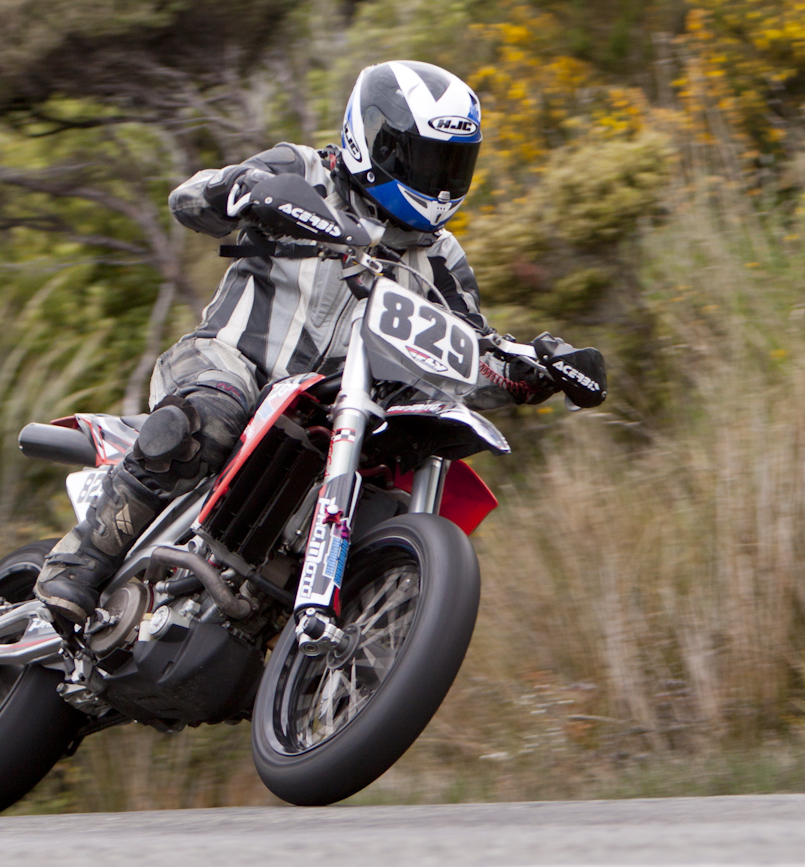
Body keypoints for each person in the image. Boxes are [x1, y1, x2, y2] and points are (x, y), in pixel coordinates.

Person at [34, 60, 559, 624]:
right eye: (423, 158)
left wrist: (532, 372)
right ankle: (78, 562)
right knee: (210, 413)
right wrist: (239, 190)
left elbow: (468, 350)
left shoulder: (441, 257)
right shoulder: (301, 170)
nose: (439, 179)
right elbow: (188, 201)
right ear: (372, 139)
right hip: (230, 361)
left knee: (387, 479)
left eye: (453, 163)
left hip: (332, 411)